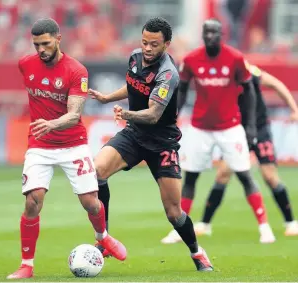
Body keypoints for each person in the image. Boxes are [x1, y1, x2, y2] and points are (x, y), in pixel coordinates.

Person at [89, 17, 213, 272]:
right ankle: (104, 239)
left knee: (174, 212)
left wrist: (126, 114)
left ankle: (197, 252)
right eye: (144, 42)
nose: (147, 48)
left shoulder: (168, 74)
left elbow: (154, 113)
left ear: (166, 44)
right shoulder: (135, 57)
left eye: (154, 44)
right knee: (96, 172)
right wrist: (107, 98)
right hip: (134, 135)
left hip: (162, 143)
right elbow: (134, 86)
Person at [7, 18, 126, 280]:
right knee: (32, 202)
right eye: (36, 44)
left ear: (58, 39)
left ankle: (102, 237)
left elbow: (74, 115)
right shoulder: (25, 64)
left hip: (73, 144)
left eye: (46, 43)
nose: (41, 49)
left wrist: (51, 124)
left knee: (91, 204)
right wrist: (46, 128)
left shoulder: (76, 71)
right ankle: (27, 265)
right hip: (39, 145)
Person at [161, 19, 275, 245]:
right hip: (200, 127)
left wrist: (250, 125)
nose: (210, 36)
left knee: (244, 175)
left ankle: (264, 226)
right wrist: (173, 118)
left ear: (221, 34)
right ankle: (179, 229)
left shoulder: (235, 58)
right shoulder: (191, 60)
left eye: (214, 32)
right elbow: (182, 92)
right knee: (190, 177)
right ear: (203, 35)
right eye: (207, 32)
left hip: (230, 127)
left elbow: (250, 92)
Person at [191, 63, 298, 237]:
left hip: (260, 129)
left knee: (270, 176)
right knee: (223, 174)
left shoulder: (250, 71)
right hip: (238, 132)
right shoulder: (221, 80)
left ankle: (291, 223)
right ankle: (204, 224)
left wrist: (294, 109)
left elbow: (276, 84)